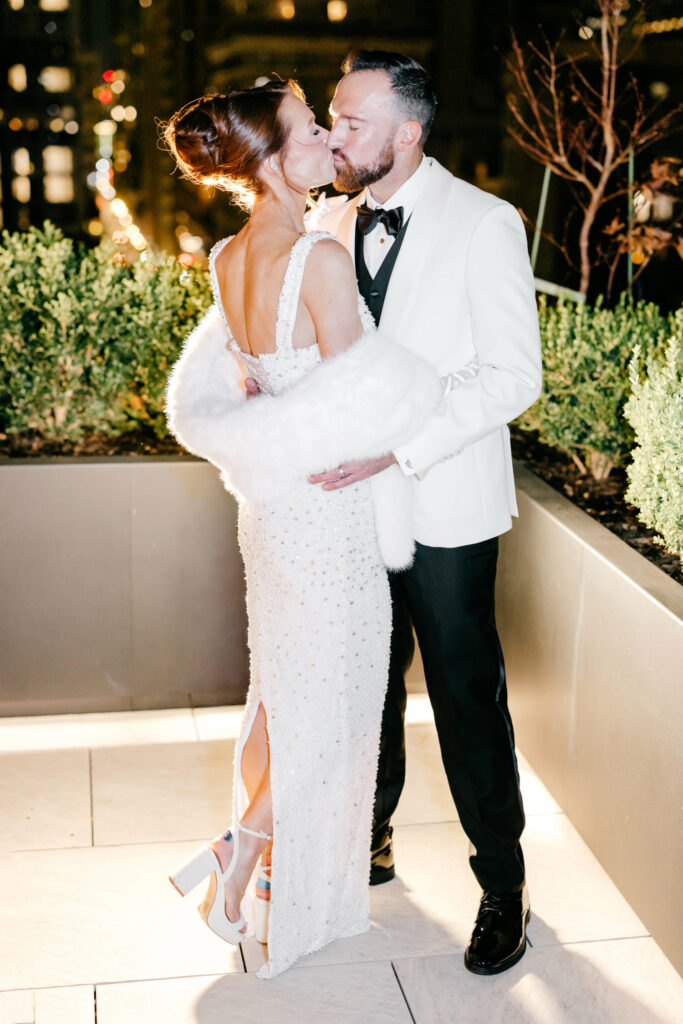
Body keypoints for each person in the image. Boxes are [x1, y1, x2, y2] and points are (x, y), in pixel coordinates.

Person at [162, 80, 441, 979]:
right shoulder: (317, 257)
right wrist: (413, 407)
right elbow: (361, 398)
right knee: (336, 701)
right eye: (311, 127)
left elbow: (258, 375)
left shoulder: (226, 256)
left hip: (271, 507)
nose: (328, 136)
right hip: (327, 509)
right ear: (276, 158)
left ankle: (249, 857)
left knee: (283, 687)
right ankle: (241, 849)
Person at [310, 50, 543, 975]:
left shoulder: (484, 221)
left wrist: (399, 448)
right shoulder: (327, 217)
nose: (332, 136)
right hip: (346, 505)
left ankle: (504, 885)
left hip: (443, 502)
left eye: (352, 121)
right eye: (331, 117)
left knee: (462, 694)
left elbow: (511, 375)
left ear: (408, 132)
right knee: (364, 679)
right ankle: (369, 838)